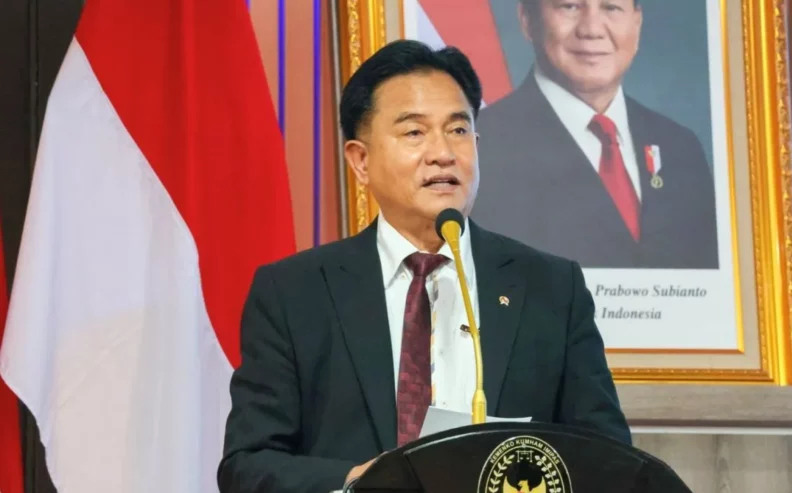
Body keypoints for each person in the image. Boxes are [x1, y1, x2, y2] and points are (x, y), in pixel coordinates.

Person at [217, 39, 630, 493]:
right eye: (415, 133)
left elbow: (609, 459)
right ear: (361, 160)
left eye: (458, 130)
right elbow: (247, 466)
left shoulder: (550, 288)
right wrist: (359, 482)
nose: (443, 153)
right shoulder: (294, 293)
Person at [471, 0, 719, 269]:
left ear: (636, 23)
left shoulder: (680, 147)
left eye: (611, 7)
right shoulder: (481, 147)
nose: (591, 30)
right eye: (570, 6)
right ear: (527, 20)